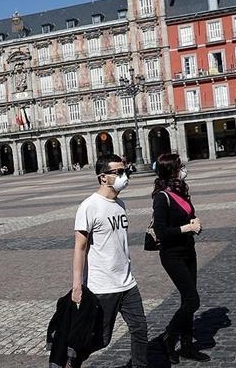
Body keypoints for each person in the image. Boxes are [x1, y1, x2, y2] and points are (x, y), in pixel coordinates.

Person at [71, 154, 148, 368]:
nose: (125, 176)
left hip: (127, 282)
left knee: (140, 329)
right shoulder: (89, 206)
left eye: (125, 171)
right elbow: (80, 247)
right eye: (119, 172)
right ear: (103, 177)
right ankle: (70, 360)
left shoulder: (120, 204)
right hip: (102, 286)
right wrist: (77, 286)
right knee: (101, 339)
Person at [151, 153, 210, 363]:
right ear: (172, 170)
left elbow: (187, 215)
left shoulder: (182, 191)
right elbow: (161, 231)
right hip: (171, 255)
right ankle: (168, 337)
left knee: (188, 299)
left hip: (188, 251)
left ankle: (186, 346)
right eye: (180, 165)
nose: (184, 168)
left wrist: (195, 221)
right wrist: (188, 227)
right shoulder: (161, 197)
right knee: (193, 300)